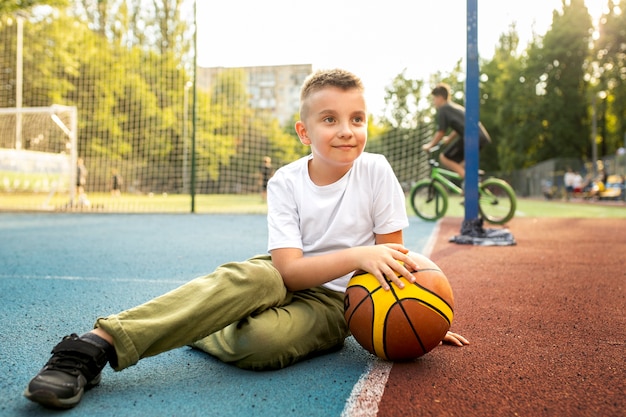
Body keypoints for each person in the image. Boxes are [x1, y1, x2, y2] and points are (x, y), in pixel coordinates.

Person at [24, 69, 469, 410]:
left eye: (357, 118)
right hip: (282, 273)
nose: (346, 130)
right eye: (330, 119)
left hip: (339, 303)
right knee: (254, 282)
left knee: (261, 344)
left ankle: (201, 321)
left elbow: (394, 261)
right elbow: (290, 271)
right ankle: (94, 345)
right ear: (304, 131)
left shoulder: (377, 171)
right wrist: (360, 253)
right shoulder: (285, 181)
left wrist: (421, 315)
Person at [421, 83, 492, 179]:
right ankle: (471, 184)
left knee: (444, 158)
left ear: (440, 97)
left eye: (434, 99)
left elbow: (441, 132)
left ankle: (470, 183)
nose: (434, 102)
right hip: (481, 136)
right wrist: (449, 139)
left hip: (471, 137)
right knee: (460, 165)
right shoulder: (454, 107)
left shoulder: (443, 109)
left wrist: (430, 145)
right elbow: (460, 127)